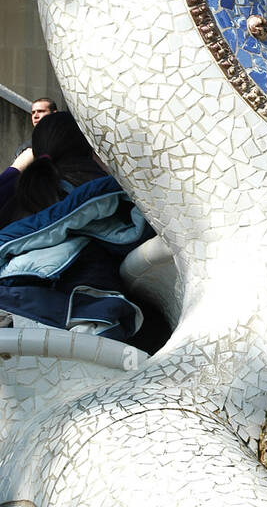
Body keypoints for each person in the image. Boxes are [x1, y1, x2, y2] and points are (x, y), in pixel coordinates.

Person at [0, 112, 155, 342]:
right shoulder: (102, 188)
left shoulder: (18, 194)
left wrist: (16, 168)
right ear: (90, 148)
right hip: (78, 317)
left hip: (14, 304)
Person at [10, 96, 58, 162]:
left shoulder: (69, 142)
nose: (35, 116)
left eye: (41, 111)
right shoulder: (24, 149)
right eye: (33, 112)